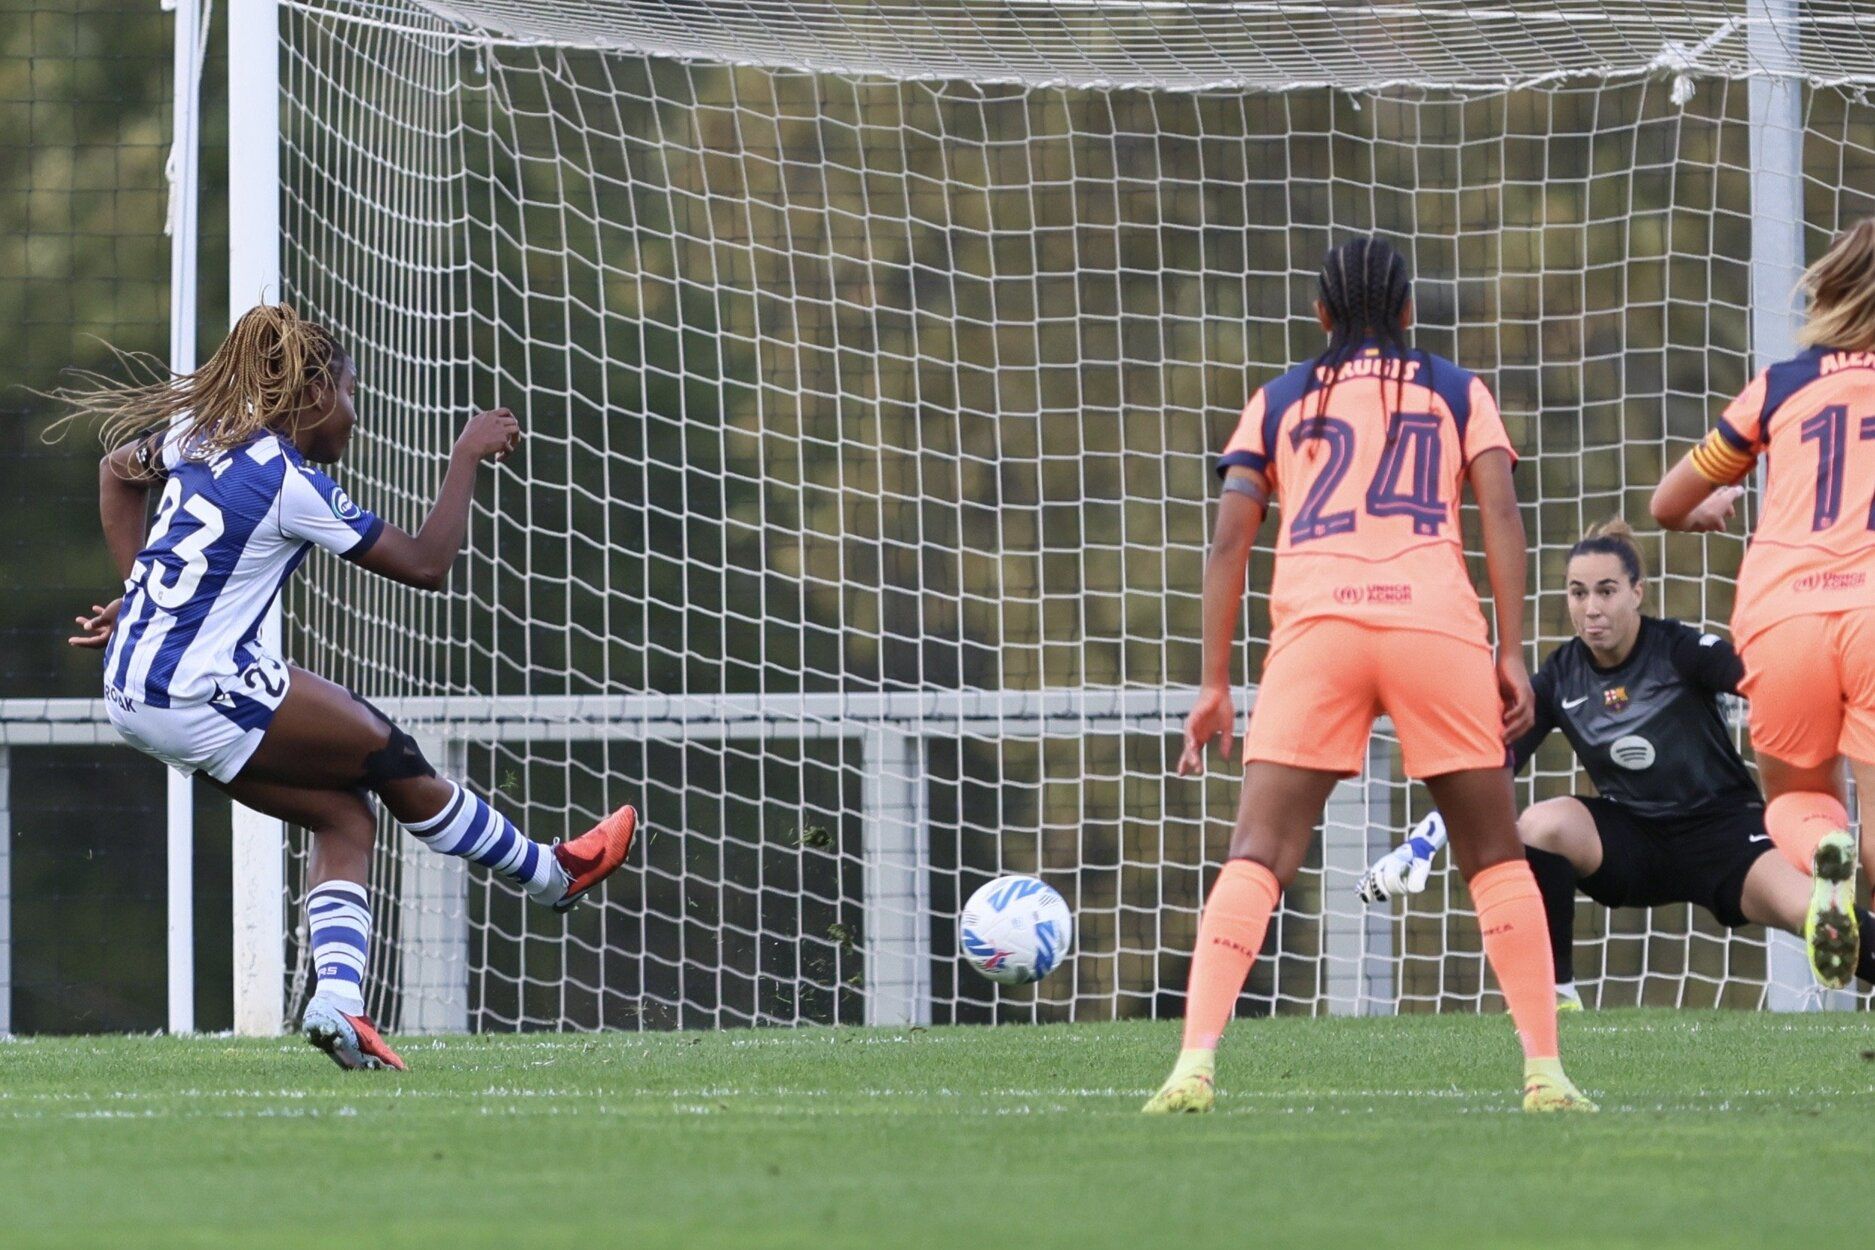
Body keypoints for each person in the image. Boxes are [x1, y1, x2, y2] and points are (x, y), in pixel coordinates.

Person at [59, 303, 638, 1071]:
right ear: (309, 394)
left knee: (344, 817)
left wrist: (144, 595)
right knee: (386, 751)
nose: (355, 415)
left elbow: (114, 472)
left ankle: (339, 1004)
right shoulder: (287, 481)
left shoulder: (199, 435)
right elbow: (427, 564)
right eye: (349, 392)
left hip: (134, 687)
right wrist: (465, 454)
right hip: (193, 690)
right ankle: (549, 875)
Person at [1145, 236, 1593, 1115]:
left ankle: (1191, 1064)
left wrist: (1213, 682)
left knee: (1258, 854)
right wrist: (1509, 648)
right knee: (1493, 855)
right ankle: (1543, 1072)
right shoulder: (1458, 390)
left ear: (1319, 316)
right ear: (1407, 313)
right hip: (1433, 625)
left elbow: (1230, 540)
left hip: (1320, 633)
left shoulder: (1277, 400)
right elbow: (1499, 511)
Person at [1358, 520, 1875, 999]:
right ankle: (1557, 999)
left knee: (1820, 915)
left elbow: (1776, 683)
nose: (1591, 608)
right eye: (1578, 593)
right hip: (1634, 842)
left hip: (1723, 833)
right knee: (1540, 823)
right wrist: (1421, 843)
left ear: (1636, 592)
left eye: (1606, 591)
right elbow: (1492, 765)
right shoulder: (1560, 677)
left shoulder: (1679, 648)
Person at [1650, 218, 1875, 984]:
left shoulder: (1780, 386)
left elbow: (1667, 502)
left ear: (1828, 289)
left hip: (1781, 615)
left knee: (1797, 797)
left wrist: (1701, 512)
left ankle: (1823, 859)